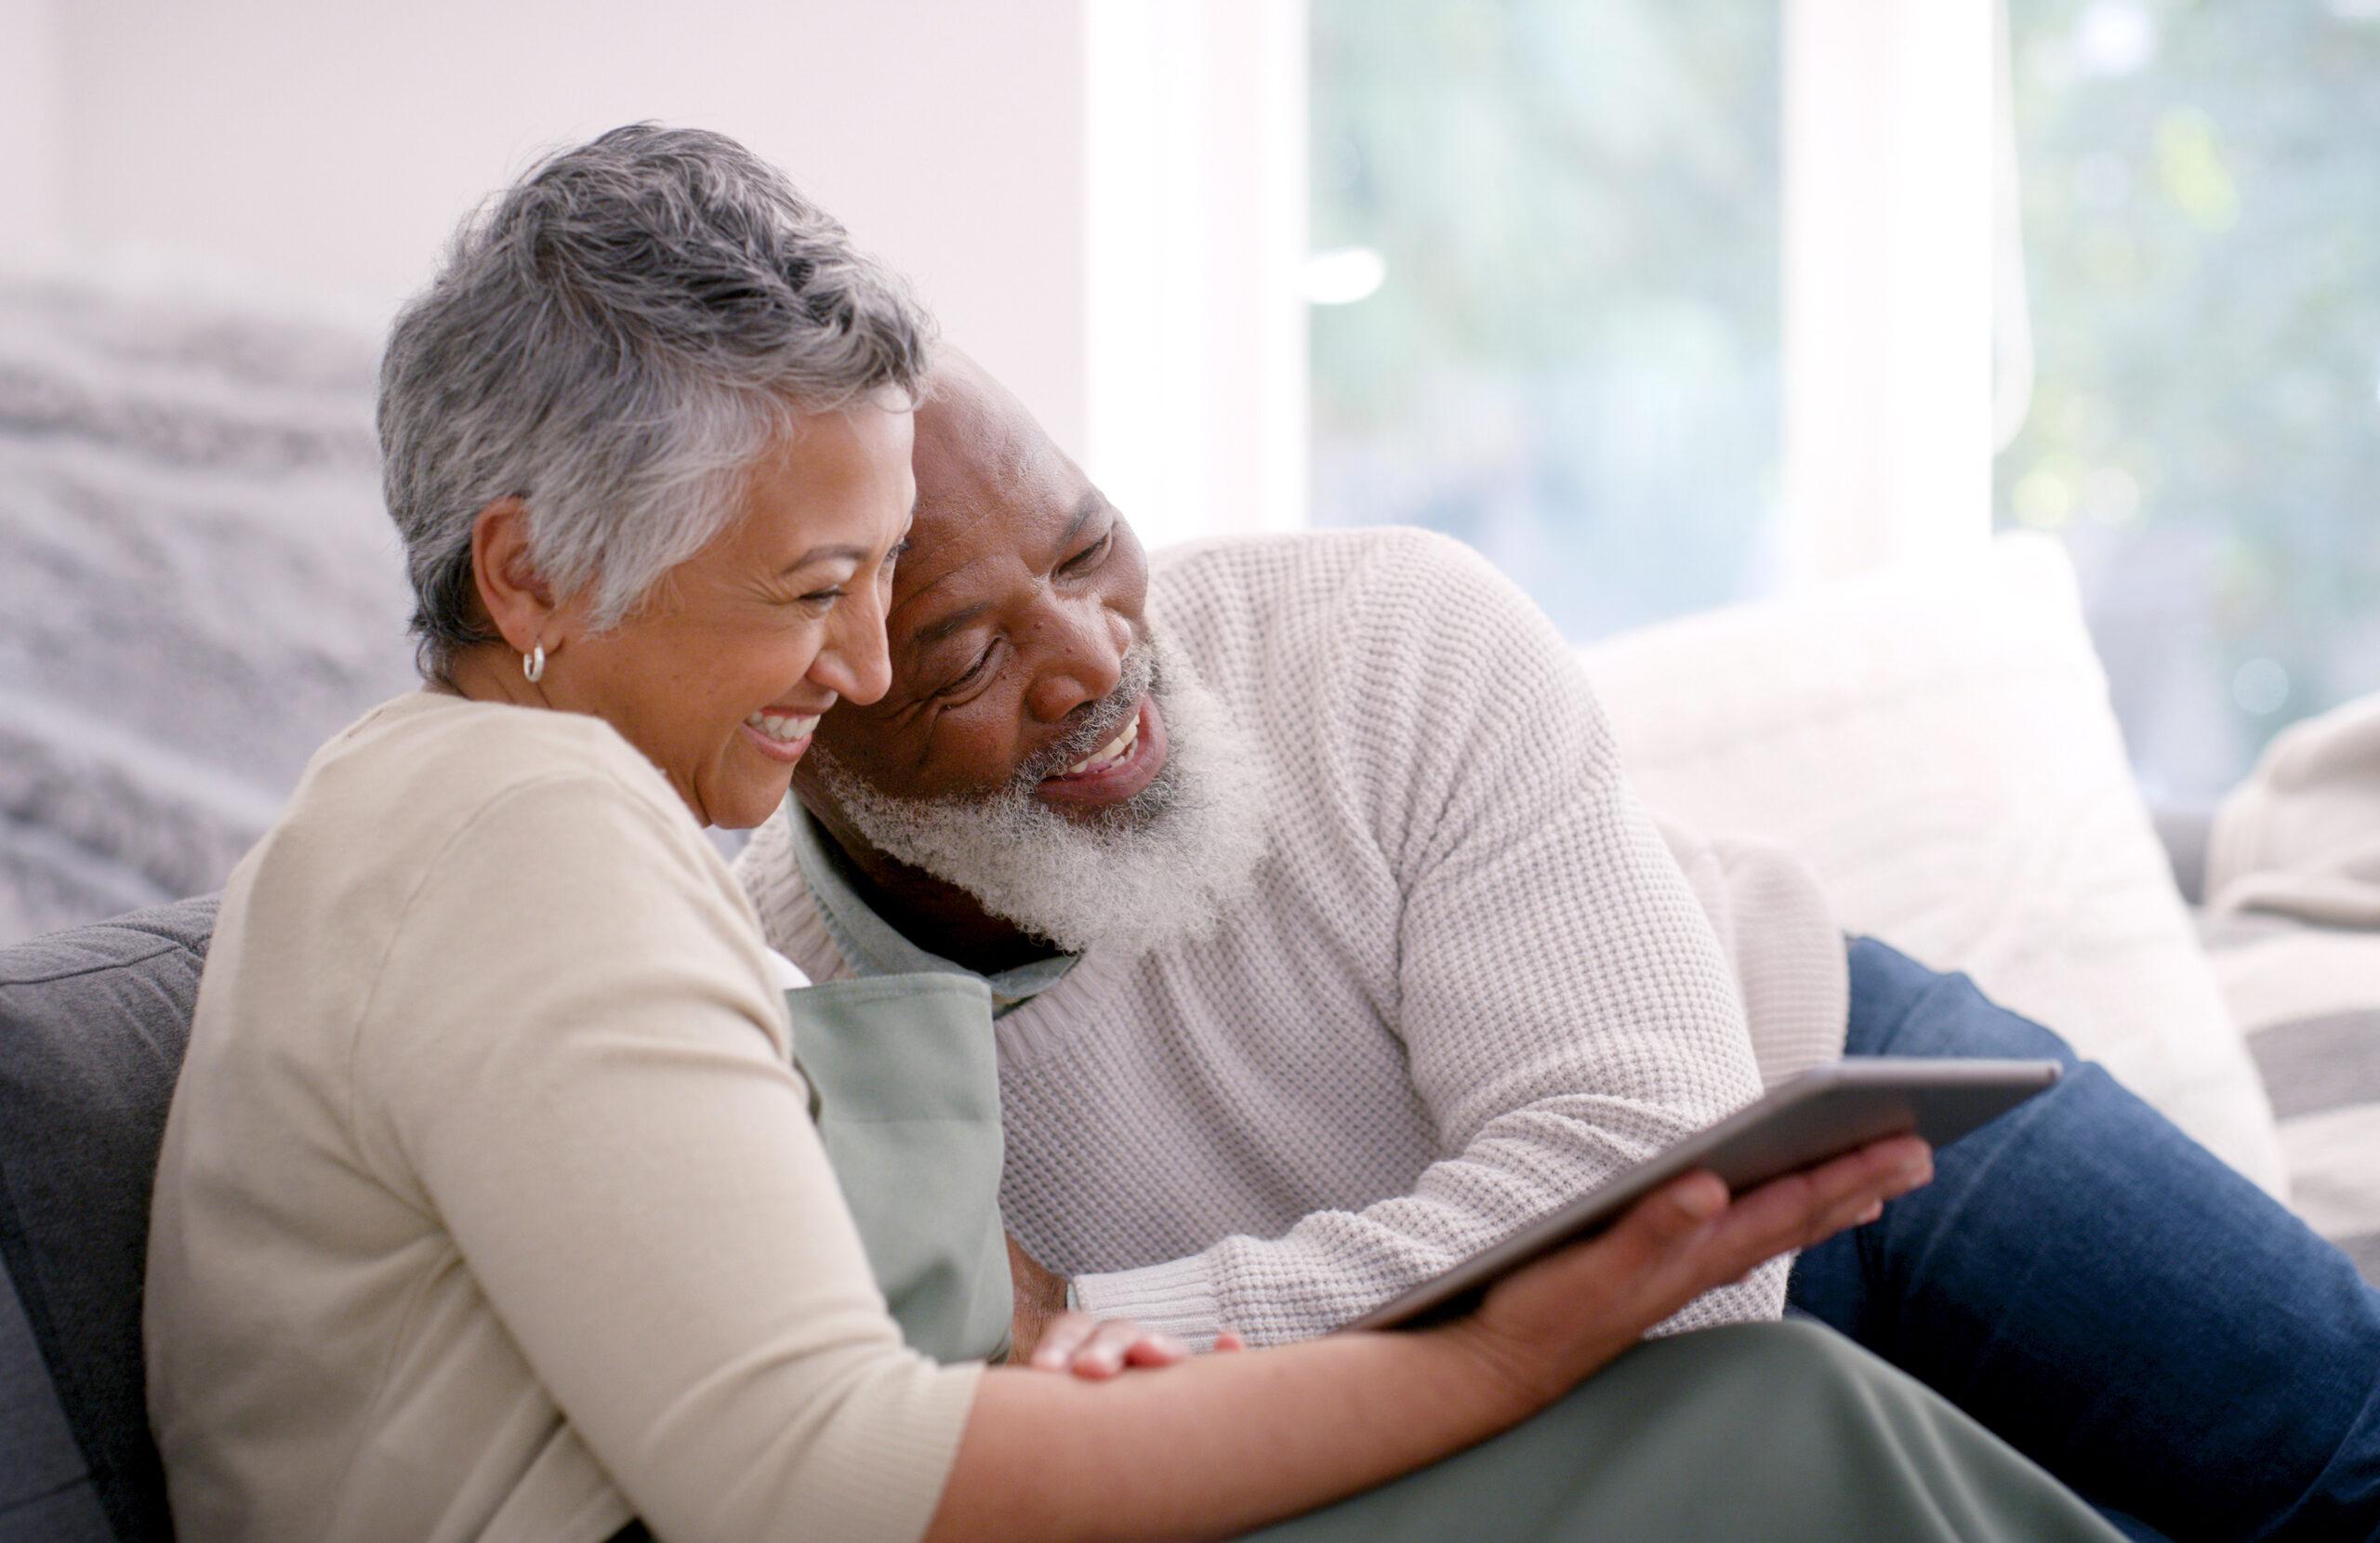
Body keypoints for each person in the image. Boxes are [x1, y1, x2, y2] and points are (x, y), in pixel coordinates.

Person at [139, 125, 2122, 1543]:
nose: (845, 667)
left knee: (1798, 1404)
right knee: (1770, 1424)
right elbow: (836, 1476)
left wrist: (1102, 1344)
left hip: (1783, 1058)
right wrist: (1500, 1352)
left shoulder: (470, 817)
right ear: (531, 566)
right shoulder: (526, 837)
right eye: (815, 588)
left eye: (875, 587)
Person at [737, 349, 2380, 1543]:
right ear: (807, 725)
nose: (1096, 659)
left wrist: (1100, 1327)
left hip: (1812, 1084)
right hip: (1534, 1419)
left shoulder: (1385, 633)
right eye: (962, 659)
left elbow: (1659, 1198)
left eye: (1092, 549)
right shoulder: (773, 1005)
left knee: (2345, 1454)